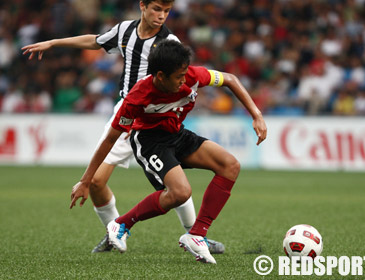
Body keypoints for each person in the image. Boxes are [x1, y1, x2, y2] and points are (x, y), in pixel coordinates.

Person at [22, 0, 225, 254]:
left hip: (155, 119)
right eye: (156, 9)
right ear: (143, 6)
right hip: (126, 113)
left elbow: (183, 78)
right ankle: (114, 234)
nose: (161, 16)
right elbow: (95, 41)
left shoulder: (169, 42)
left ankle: (194, 235)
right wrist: (54, 43)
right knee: (95, 182)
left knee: (172, 187)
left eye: (166, 11)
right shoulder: (124, 30)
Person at [70, 39, 267, 263]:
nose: (185, 80)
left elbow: (230, 79)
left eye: (185, 74)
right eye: (178, 77)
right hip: (149, 141)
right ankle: (122, 224)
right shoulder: (137, 97)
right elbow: (110, 140)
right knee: (180, 193)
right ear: (161, 76)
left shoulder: (192, 75)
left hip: (177, 134)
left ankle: (196, 234)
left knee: (230, 165)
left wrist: (256, 115)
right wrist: (86, 180)